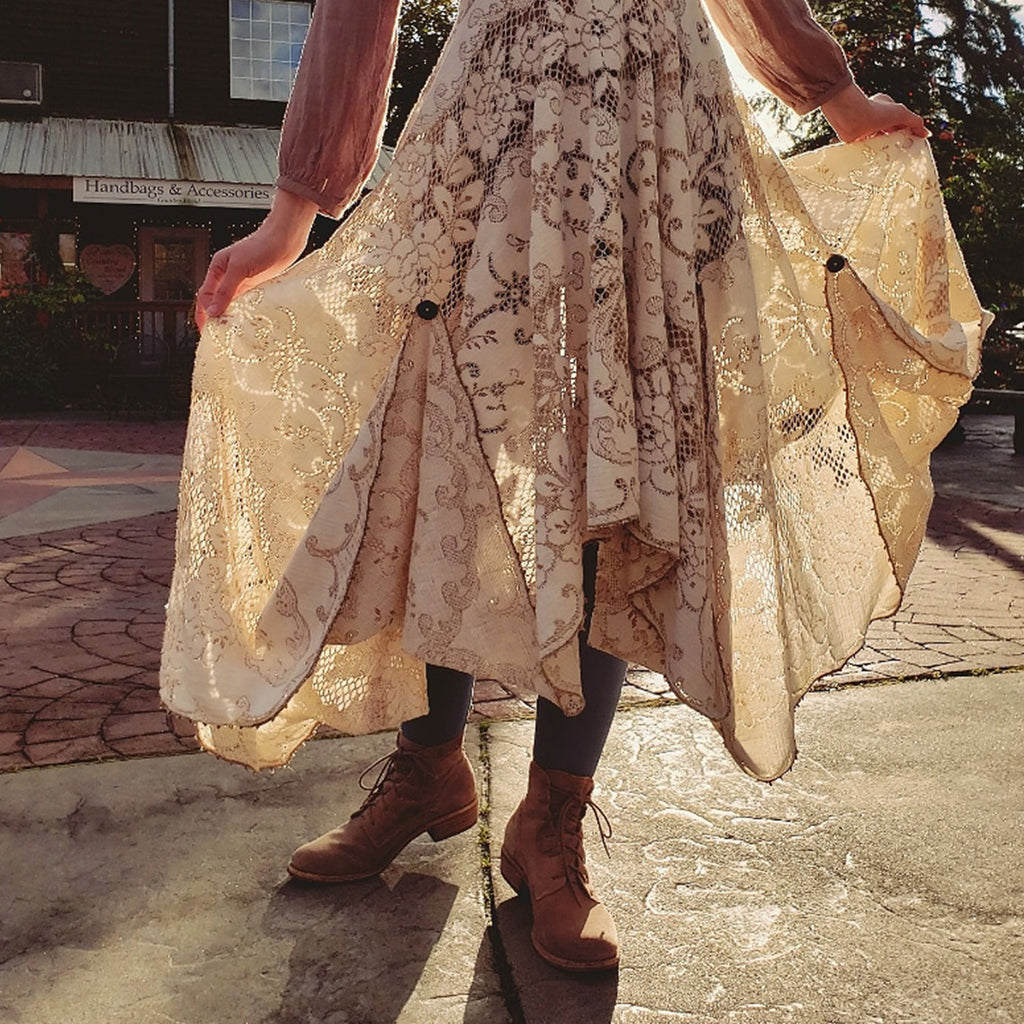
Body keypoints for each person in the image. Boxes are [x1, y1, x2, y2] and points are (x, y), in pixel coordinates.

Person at [162, 0, 983, 973]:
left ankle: (552, 816)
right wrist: (294, 209)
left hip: (660, 116)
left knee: (625, 464)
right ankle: (428, 770)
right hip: (498, 108)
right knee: (439, 453)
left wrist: (832, 95)